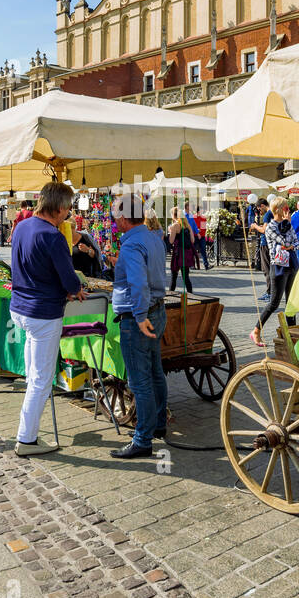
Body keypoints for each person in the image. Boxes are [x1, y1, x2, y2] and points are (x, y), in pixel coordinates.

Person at [9, 182, 85, 457]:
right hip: (42, 313)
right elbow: (69, 280)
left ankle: (29, 428)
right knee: (42, 379)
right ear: (61, 207)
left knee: (34, 376)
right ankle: (26, 439)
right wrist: (76, 289)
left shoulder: (22, 226)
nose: (69, 214)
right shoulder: (52, 236)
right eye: (68, 209)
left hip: (20, 308)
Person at [108, 192, 169, 459]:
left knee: (140, 380)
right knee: (155, 371)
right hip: (158, 310)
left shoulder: (132, 244)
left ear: (123, 218)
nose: (113, 220)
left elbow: (138, 283)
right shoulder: (153, 237)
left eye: (115, 215)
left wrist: (141, 316)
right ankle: (158, 425)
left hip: (138, 318)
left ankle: (143, 439)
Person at [250, 197, 299, 348]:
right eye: (285, 207)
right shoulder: (270, 227)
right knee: (274, 303)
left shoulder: (287, 224)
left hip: (291, 264)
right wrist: (289, 242)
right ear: (278, 210)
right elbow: (285, 242)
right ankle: (256, 331)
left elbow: (297, 243)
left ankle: (292, 335)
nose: (288, 209)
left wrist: (289, 242)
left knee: (291, 303)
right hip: (278, 266)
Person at [249, 198, 272, 301]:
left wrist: (255, 226)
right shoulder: (272, 212)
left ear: (262, 206)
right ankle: (271, 292)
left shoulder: (267, 214)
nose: (259, 212)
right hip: (269, 243)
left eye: (259, 209)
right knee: (269, 269)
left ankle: (269, 293)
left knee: (266, 269)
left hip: (265, 243)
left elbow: (264, 230)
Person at [167, 206, 194, 293]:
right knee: (186, 277)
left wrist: (170, 232)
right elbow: (192, 240)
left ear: (173, 216)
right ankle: (191, 295)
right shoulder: (188, 226)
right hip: (187, 253)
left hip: (178, 253)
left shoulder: (175, 226)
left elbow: (171, 241)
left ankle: (170, 295)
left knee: (174, 276)